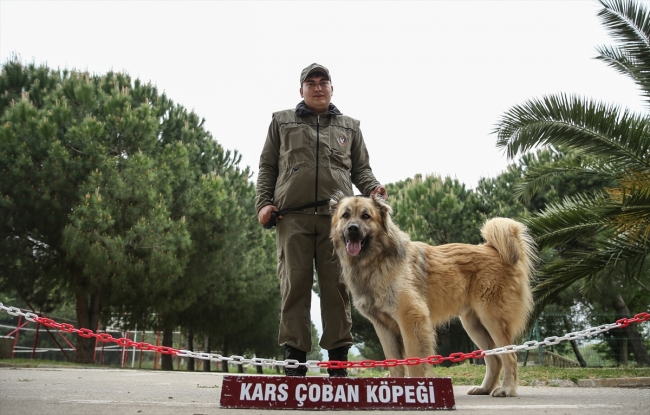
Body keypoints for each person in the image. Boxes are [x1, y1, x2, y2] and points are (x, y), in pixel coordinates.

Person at [255, 63, 387, 377]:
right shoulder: (281, 122)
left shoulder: (349, 127)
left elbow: (360, 170)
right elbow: (267, 168)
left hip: (338, 225)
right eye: (310, 83)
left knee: (337, 288)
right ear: (301, 89)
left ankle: (338, 362)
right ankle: (294, 362)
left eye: (323, 82)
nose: (317, 88)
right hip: (293, 218)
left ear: (331, 88)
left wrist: (372, 187)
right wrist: (263, 203)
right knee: (294, 287)